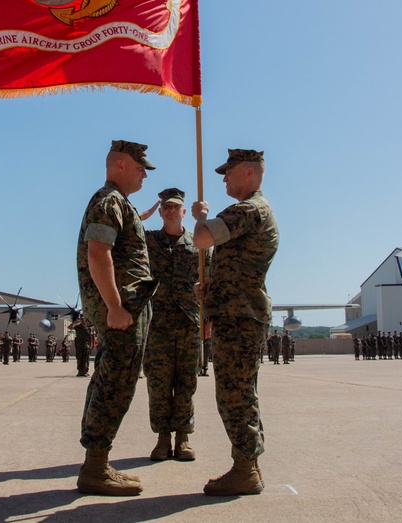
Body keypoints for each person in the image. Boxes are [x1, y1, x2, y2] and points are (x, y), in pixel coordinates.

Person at [192, 148, 279, 497]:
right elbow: (233, 265)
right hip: (236, 313)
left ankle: (245, 470)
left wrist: (200, 217)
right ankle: (248, 464)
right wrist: (211, 291)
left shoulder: (250, 209)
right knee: (239, 392)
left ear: (248, 172)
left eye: (228, 171)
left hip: (240, 317)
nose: (224, 178)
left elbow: (201, 238)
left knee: (235, 394)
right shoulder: (252, 210)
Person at [75, 140, 158, 496]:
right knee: (116, 383)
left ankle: (97, 463)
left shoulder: (119, 204)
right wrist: (114, 307)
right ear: (120, 165)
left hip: (126, 310)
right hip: (120, 313)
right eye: (140, 167)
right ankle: (95, 467)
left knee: (112, 379)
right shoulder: (109, 201)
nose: (144, 174)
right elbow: (98, 253)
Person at [144, 187, 210, 462]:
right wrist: (140, 215)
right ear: (160, 212)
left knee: (186, 383)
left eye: (176, 207)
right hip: (156, 324)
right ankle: (162, 438)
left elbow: (211, 283)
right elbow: (122, 231)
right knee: (158, 384)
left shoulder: (199, 244)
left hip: (188, 323)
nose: (171, 211)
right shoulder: (147, 241)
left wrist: (208, 319)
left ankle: (183, 438)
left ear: (184, 212)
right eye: (166, 207)